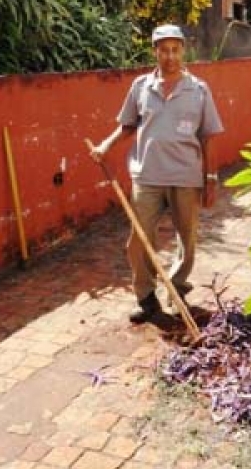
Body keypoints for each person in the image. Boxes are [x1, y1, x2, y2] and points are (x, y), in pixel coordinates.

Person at [88, 24, 225, 324]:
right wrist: (105, 146)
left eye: (175, 49)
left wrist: (211, 179)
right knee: (139, 240)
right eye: (164, 50)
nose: (170, 56)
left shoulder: (198, 90)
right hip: (147, 175)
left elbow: (208, 137)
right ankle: (146, 298)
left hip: (186, 177)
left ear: (183, 51)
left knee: (186, 238)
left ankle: (177, 288)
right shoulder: (141, 87)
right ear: (155, 51)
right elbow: (128, 125)